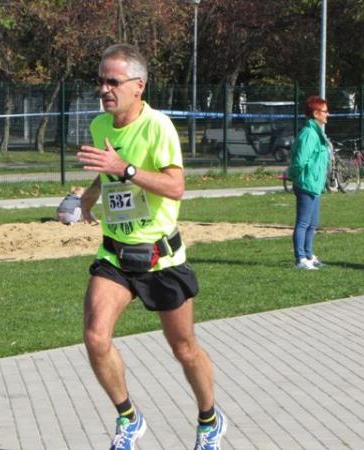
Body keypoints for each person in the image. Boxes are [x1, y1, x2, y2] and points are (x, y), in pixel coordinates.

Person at [76, 44, 227, 450]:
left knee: (184, 349)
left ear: (138, 86)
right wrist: (90, 194)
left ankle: (209, 419)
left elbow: (175, 187)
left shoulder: (158, 127)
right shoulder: (100, 126)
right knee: (95, 337)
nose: (104, 89)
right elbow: (109, 175)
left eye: (113, 81)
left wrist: (123, 168)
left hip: (161, 258)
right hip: (115, 254)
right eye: (100, 81)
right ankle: (129, 417)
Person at [287, 96, 330, 270]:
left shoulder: (317, 132)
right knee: (303, 223)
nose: (327, 114)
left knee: (312, 224)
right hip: (306, 184)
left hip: (315, 184)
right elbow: (300, 161)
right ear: (315, 113)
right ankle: (300, 259)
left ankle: (309, 255)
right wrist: (293, 176)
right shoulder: (309, 134)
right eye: (325, 111)